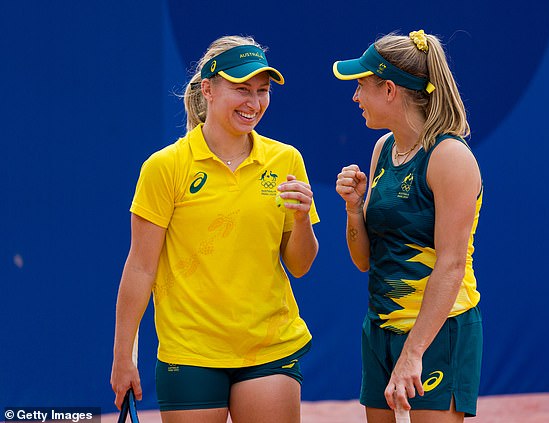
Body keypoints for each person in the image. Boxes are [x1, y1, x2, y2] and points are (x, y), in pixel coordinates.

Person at [110, 35, 319, 423]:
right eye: (242, 89)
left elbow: (301, 264)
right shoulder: (165, 167)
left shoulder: (286, 159)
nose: (253, 103)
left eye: (262, 90)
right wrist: (123, 356)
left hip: (271, 349)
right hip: (189, 354)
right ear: (207, 89)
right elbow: (140, 267)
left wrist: (303, 217)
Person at [334, 30, 483, 422]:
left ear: (388, 90)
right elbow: (364, 260)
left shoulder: (450, 157)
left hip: (437, 333)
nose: (355, 97)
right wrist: (353, 210)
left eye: (361, 86)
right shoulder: (383, 149)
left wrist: (413, 352)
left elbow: (450, 265)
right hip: (380, 327)